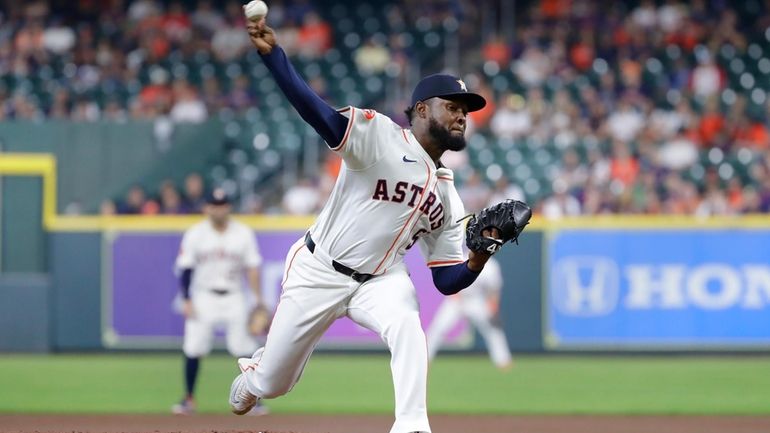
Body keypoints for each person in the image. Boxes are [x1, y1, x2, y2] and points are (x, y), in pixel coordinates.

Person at [228, 16, 499, 433]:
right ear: (422, 110)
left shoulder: (448, 194)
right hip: (320, 269)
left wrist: (477, 259)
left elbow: (445, 281)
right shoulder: (381, 137)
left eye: (465, 111)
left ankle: (412, 426)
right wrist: (275, 59)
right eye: (453, 107)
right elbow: (317, 113)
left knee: (409, 323)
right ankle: (255, 375)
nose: (462, 116)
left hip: (380, 280)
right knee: (275, 384)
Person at [172, 188, 267, 416]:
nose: (218, 209)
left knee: (244, 348)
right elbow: (186, 267)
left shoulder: (243, 233)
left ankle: (254, 399)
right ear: (206, 207)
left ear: (229, 207)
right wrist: (186, 298)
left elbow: (252, 267)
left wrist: (257, 298)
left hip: (234, 295)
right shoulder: (195, 233)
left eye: (222, 204)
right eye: (214, 204)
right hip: (203, 296)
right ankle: (189, 399)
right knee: (194, 347)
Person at [425, 256, 513, 370]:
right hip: (457, 298)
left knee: (493, 329)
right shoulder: (462, 256)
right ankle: (425, 358)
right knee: (437, 328)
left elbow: (494, 290)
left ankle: (503, 360)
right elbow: (450, 278)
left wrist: (493, 309)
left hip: (476, 300)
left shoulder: (491, 266)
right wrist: (454, 294)